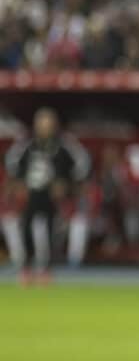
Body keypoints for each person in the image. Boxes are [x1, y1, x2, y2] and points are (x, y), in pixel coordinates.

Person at [4, 108, 91, 284]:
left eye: (48, 123)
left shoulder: (64, 144)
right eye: (42, 123)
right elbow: (11, 162)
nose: (45, 127)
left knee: (52, 231)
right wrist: (19, 182)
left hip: (52, 195)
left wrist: (68, 183)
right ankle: (26, 267)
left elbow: (83, 163)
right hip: (31, 193)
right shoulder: (27, 144)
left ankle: (46, 269)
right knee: (26, 229)